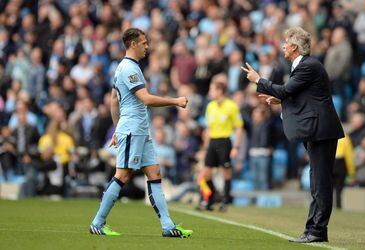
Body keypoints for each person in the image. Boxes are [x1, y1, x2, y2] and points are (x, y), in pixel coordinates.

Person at [241, 27, 344, 243]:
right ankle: (313, 230)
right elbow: (303, 96)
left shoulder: (308, 66)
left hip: (321, 130)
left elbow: (286, 90)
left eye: (285, 43)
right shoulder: (304, 66)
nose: (283, 47)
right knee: (316, 180)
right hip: (316, 130)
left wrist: (258, 80)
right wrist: (282, 101)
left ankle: (317, 230)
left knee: (320, 182)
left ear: (294, 47)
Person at [89, 28, 192, 238]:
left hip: (139, 131)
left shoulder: (123, 68)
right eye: (144, 43)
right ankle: (98, 222)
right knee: (123, 175)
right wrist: (175, 101)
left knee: (154, 173)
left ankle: (167, 226)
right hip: (133, 129)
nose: (147, 46)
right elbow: (145, 99)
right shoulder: (129, 69)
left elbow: (113, 100)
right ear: (133, 44)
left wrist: (117, 129)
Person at [199, 79, 243, 212]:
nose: (209, 92)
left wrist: (236, 147)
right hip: (213, 141)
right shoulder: (210, 106)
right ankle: (211, 198)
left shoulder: (232, 106)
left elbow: (239, 128)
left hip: (225, 141)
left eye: (212, 89)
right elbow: (208, 129)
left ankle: (225, 201)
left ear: (219, 91)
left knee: (226, 173)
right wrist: (204, 147)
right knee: (206, 172)